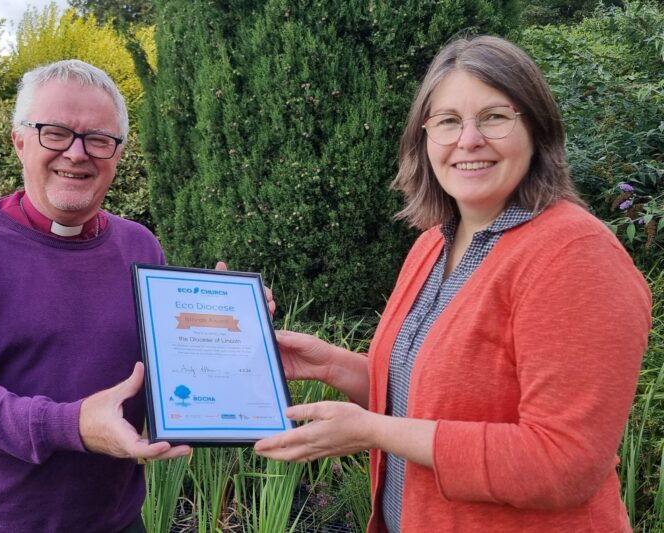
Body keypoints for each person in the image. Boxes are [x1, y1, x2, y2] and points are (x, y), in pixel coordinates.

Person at [254, 35, 652, 532]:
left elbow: (563, 463)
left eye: (494, 117)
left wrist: (375, 431)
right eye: (447, 121)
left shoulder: (574, 255)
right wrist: (334, 365)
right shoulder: (433, 244)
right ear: (424, 139)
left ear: (538, 129)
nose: (468, 140)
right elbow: (432, 398)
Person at [0, 60, 200, 532]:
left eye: (99, 139)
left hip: (115, 522)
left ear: (117, 154)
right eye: (55, 132)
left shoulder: (140, 246)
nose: (77, 154)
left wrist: (226, 329)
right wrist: (69, 425)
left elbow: (163, 365)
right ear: (20, 141)